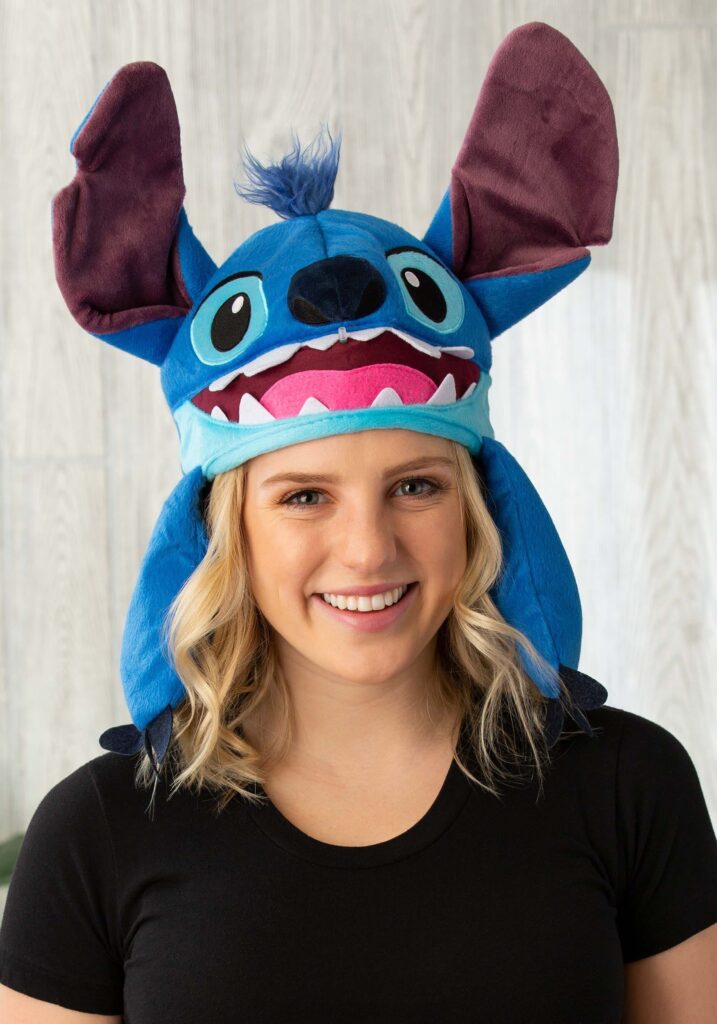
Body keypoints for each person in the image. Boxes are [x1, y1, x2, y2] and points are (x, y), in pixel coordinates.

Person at [2, 20, 717, 1023]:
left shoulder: (629, 789)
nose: (369, 547)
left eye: (415, 487)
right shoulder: (97, 835)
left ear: (478, 501)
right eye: (304, 495)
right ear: (224, 525)